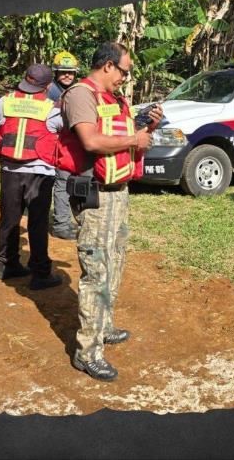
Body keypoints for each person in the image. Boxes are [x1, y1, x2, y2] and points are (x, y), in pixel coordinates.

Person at [56, 42, 162, 381]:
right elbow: (91, 141)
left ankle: (104, 327)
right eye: (124, 71)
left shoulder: (116, 101)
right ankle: (87, 353)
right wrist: (134, 141)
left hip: (118, 192)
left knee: (115, 263)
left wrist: (147, 130)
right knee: (96, 272)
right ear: (107, 66)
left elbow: (126, 138)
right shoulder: (79, 95)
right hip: (95, 196)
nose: (125, 78)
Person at [0, 64, 63, 290]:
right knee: (38, 222)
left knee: (9, 218)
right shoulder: (52, 108)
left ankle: (8, 265)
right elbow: (64, 134)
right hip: (40, 173)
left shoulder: (4, 102)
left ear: (25, 80)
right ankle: (40, 274)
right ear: (48, 86)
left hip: (10, 171)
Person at [48, 51, 80, 240]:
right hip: (57, 146)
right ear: (55, 72)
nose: (67, 75)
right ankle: (61, 224)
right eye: (63, 72)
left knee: (69, 184)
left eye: (70, 72)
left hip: (69, 145)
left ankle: (65, 221)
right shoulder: (51, 92)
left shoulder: (73, 90)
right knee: (62, 185)